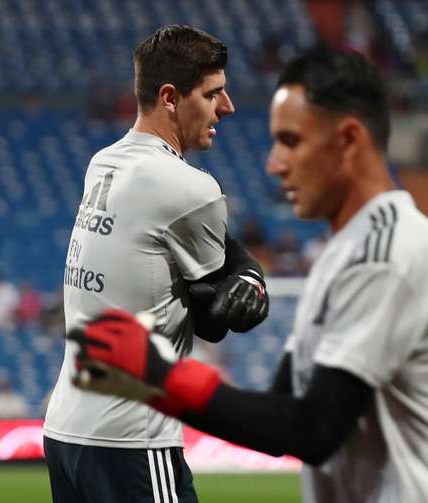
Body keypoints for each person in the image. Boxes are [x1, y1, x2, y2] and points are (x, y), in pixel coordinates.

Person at [70, 47, 428, 503]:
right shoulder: (343, 255)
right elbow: (282, 414)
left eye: (291, 141)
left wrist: (161, 378)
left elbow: (312, 429)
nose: (274, 164)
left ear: (348, 140)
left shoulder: (390, 252)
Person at [43, 25, 269, 503]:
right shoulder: (189, 188)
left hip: (67, 431)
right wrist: (250, 280)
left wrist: (242, 275)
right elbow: (214, 322)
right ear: (170, 97)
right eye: (213, 95)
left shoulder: (103, 164)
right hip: (132, 438)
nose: (226, 108)